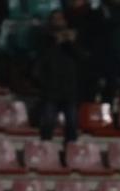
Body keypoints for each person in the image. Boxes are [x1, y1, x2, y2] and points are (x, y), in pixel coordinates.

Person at [36, 11, 82, 144]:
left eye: (61, 18)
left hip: (70, 88)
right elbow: (41, 60)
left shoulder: (73, 38)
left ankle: (70, 151)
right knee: (48, 122)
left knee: (72, 124)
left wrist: (70, 42)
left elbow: (81, 58)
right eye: (55, 19)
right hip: (51, 88)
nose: (59, 21)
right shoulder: (44, 39)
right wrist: (56, 42)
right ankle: (45, 149)